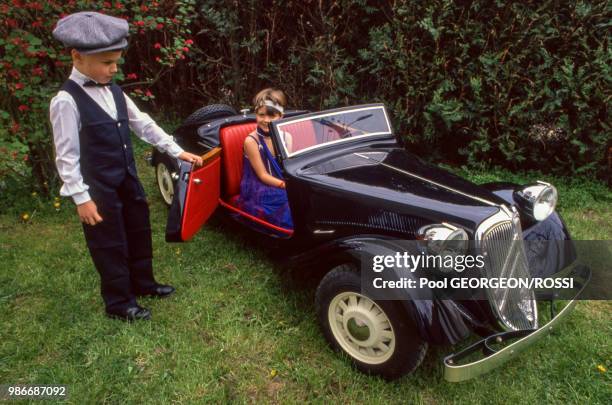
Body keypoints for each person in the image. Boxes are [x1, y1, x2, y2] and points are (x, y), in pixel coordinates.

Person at [49, 12, 203, 321]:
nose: (114, 69)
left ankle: (143, 282)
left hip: (127, 178)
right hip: (98, 188)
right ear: (77, 56)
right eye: (107, 63)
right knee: (109, 242)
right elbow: (66, 156)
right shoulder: (66, 101)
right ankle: (119, 302)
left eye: (116, 61)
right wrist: (81, 197)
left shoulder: (115, 90)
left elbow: (142, 124)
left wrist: (175, 150)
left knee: (138, 229)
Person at [235, 88, 293, 231]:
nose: (266, 120)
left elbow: (287, 166)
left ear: (281, 116)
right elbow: (262, 175)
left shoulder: (287, 137)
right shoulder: (251, 141)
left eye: (271, 116)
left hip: (280, 180)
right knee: (290, 205)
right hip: (259, 186)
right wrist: (286, 186)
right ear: (256, 114)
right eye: (261, 115)